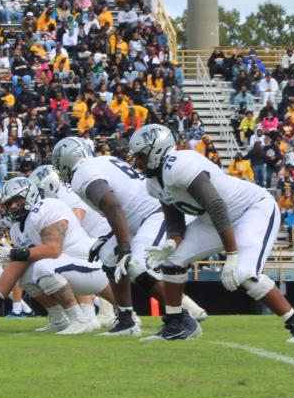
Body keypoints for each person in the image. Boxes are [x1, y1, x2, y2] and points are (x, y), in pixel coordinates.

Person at [128, 124, 294, 343]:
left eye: (141, 156)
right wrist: (171, 242)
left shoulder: (180, 164)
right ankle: (177, 324)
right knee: (172, 260)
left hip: (251, 210)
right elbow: (175, 221)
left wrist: (232, 254)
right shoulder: (154, 184)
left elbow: (216, 204)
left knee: (244, 274)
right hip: (214, 221)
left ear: (157, 150)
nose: (138, 162)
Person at [52, 135, 209, 336]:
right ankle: (126, 321)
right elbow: (123, 202)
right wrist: (109, 238)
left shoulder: (82, 174)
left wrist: (125, 245)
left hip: (157, 214)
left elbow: (113, 205)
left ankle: (181, 319)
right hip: (139, 219)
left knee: (137, 264)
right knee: (109, 256)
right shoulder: (104, 160)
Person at [0, 176, 112, 335]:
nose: (12, 206)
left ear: (29, 194)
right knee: (26, 273)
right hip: (72, 269)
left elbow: (53, 250)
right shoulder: (16, 229)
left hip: (90, 266)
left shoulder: (46, 207)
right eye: (8, 204)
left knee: (42, 266)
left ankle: (80, 320)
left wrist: (16, 253)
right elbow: (17, 265)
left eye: (16, 201)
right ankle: (60, 320)